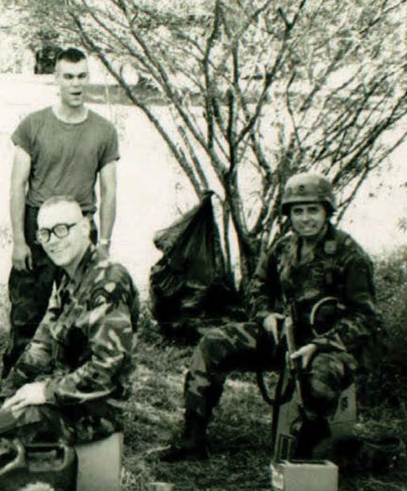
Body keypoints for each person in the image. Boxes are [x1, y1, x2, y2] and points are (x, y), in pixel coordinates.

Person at [160, 173, 378, 462]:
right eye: (297, 211)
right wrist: (265, 316)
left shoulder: (350, 255)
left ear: (327, 211)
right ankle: (192, 439)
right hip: (285, 336)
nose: (305, 218)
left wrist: (321, 345)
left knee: (318, 380)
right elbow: (257, 288)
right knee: (213, 343)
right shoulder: (283, 248)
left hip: (331, 346)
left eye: (313, 210)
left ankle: (309, 454)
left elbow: (365, 317)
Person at [0, 196, 139, 491]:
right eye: (45, 233)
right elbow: (42, 344)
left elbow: (108, 368)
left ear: (85, 227)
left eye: (62, 229)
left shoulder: (108, 281)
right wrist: (11, 390)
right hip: (61, 395)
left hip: (92, 408)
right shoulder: (69, 280)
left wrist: (44, 392)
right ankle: (9, 484)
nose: (53, 240)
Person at [3, 47, 120, 375]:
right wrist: (18, 241)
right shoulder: (34, 125)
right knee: (26, 315)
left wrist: (105, 243)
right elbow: (17, 186)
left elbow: (109, 190)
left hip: (81, 228)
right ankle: (9, 390)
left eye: (81, 76)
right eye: (68, 77)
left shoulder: (103, 131)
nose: (75, 84)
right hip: (38, 227)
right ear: (56, 79)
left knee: (81, 318)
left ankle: (70, 395)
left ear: (88, 79)